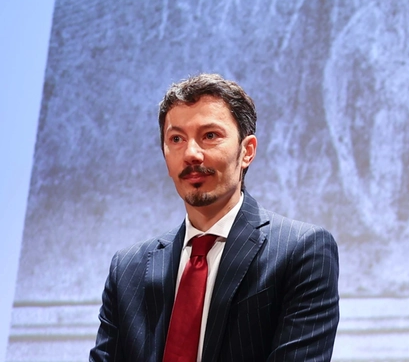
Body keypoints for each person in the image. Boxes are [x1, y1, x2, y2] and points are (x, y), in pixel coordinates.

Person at [90, 74, 339, 362]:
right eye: (176, 139)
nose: (191, 154)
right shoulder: (128, 269)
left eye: (210, 136)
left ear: (247, 151)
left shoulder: (301, 251)